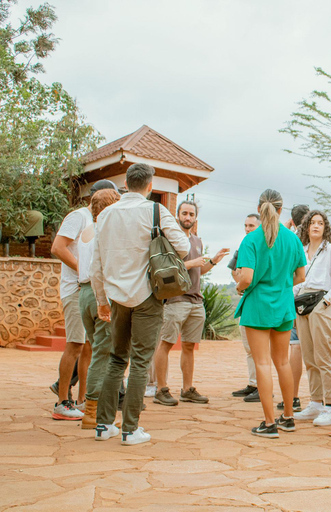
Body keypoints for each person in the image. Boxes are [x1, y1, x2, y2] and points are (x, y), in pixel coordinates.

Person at [90, 163, 190, 445]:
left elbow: (95, 264)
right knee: (140, 362)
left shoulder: (106, 214)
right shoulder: (156, 211)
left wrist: (101, 300)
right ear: (149, 185)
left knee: (115, 359)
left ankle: (103, 425)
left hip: (116, 297)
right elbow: (183, 247)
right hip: (147, 295)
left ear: (125, 182)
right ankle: (130, 429)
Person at [235, 189, 306, 438]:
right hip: (284, 305)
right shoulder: (292, 239)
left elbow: (246, 277)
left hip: (258, 308)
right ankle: (288, 417)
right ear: (280, 209)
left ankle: (268, 423)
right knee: (283, 362)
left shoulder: (252, 239)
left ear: (260, 207)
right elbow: (301, 276)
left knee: (262, 363)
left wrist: (239, 287)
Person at [50, 179, 118, 420]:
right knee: (75, 344)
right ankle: (61, 402)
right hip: (75, 288)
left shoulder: (100, 220)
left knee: (89, 347)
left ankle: (82, 400)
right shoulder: (78, 217)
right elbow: (58, 248)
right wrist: (85, 271)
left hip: (90, 288)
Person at [153, 201, 229, 406]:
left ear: (196, 218)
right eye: (184, 213)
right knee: (166, 344)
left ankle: (187, 390)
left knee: (189, 346)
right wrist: (191, 263)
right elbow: (164, 269)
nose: (188, 217)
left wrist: (213, 261)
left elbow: (198, 271)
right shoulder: (168, 238)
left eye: (191, 214)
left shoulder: (197, 241)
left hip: (196, 300)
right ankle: (161, 390)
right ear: (177, 215)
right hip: (175, 299)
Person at [292, 210, 331, 427]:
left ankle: (330, 407)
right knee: (309, 356)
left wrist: (325, 302)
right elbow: (295, 277)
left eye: (320, 223)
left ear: (325, 228)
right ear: (306, 227)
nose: (316, 226)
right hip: (301, 304)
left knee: (324, 357)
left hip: (321, 303)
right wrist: (294, 299)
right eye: (312, 223)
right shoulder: (301, 251)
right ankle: (315, 403)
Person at [78, 188, 122, 429]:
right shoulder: (106, 230)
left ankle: (93, 407)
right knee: (103, 355)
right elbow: (101, 269)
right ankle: (93, 411)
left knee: (97, 350)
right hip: (99, 294)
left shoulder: (86, 230)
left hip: (83, 294)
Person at [276, 203, 310, 412]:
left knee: (295, 345)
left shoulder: (290, 239)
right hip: (315, 297)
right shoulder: (316, 240)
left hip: (294, 296)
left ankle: (294, 396)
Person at [229, 213, 261, 402]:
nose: (248, 229)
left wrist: (242, 279)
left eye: (251, 226)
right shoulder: (243, 246)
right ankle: (253, 383)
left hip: (257, 302)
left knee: (259, 348)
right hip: (245, 300)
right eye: (246, 225)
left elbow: (247, 276)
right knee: (249, 347)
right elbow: (235, 271)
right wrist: (240, 279)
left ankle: (262, 386)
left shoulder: (261, 246)